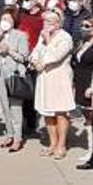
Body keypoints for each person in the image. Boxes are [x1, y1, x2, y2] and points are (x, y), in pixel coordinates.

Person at [29, 10, 74, 159]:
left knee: (60, 112)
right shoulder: (42, 36)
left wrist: (48, 40)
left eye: (49, 22)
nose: (46, 25)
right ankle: (52, 143)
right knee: (47, 112)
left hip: (59, 78)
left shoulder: (65, 37)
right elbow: (35, 52)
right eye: (45, 21)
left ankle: (61, 144)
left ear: (58, 23)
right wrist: (35, 62)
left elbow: (55, 55)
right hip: (44, 78)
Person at [0, 8, 31, 152]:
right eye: (3, 20)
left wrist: (9, 51)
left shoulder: (20, 35)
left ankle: (18, 137)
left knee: (15, 107)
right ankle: (9, 133)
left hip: (13, 73)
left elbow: (24, 57)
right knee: (4, 106)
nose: (5, 22)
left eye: (8, 20)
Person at [73, 17, 93, 170]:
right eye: (82, 25)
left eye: (87, 26)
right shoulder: (81, 43)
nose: (83, 28)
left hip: (89, 85)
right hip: (79, 83)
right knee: (87, 119)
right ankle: (91, 149)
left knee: (92, 119)